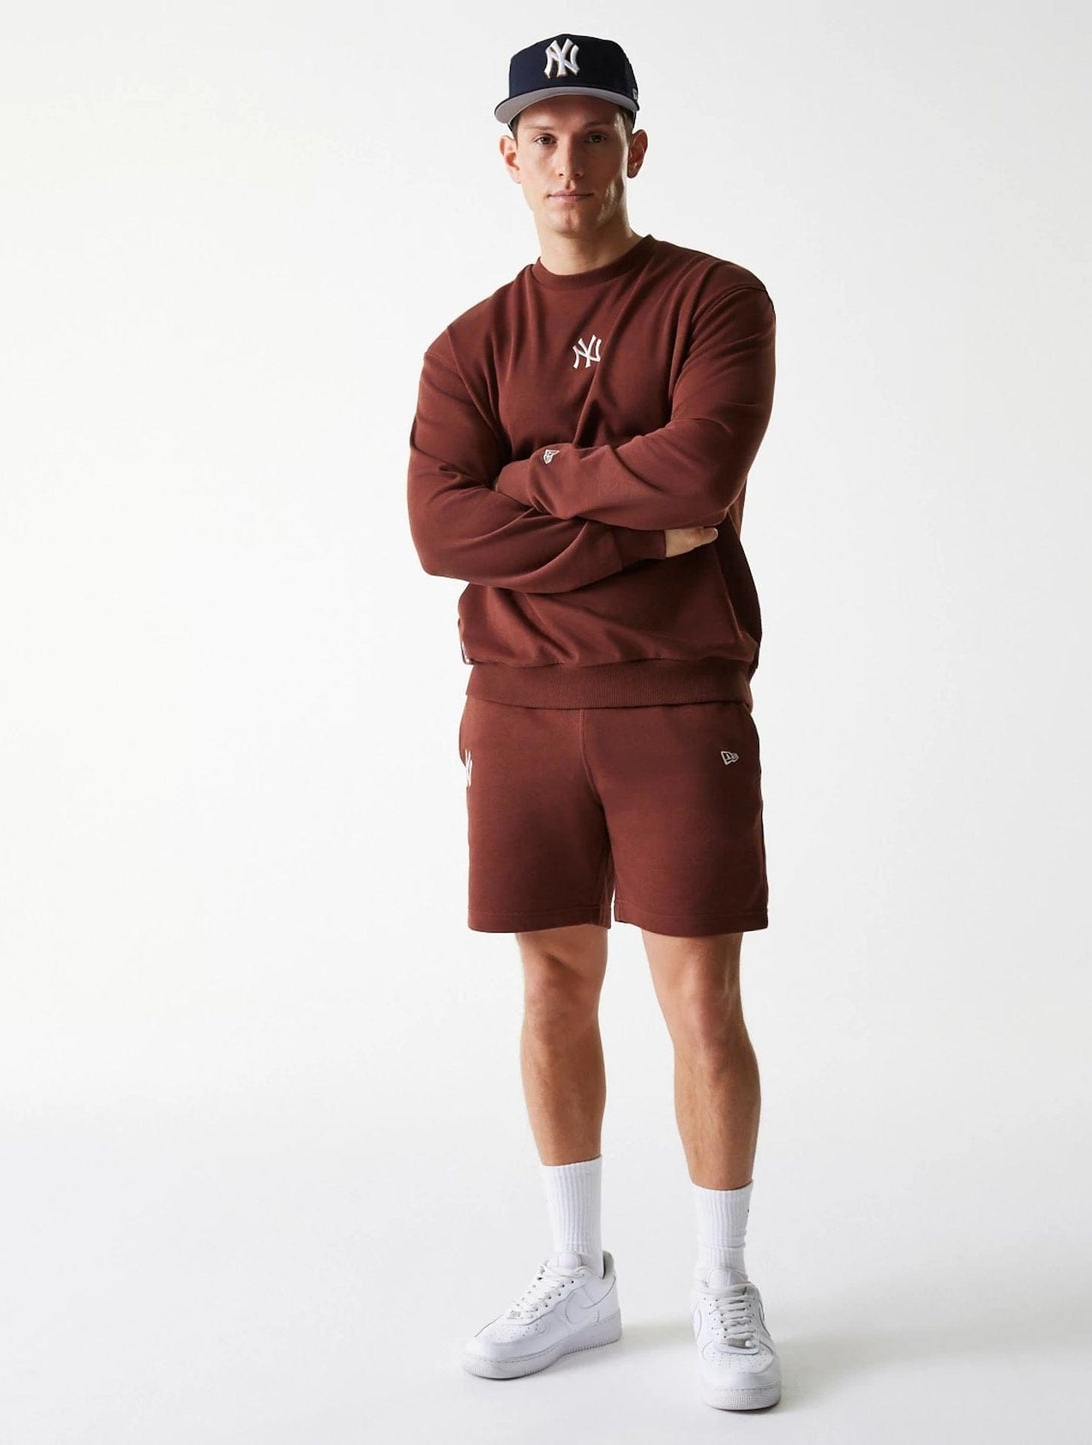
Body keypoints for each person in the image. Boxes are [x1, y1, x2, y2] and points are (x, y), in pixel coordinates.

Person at [406, 33, 781, 1412]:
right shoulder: (467, 344)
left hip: (677, 700)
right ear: (508, 157)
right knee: (552, 988)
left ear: (636, 147)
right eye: (545, 137)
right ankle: (580, 1274)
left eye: (595, 133)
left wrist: (532, 481)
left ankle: (722, 1279)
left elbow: (702, 473)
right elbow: (438, 529)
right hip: (516, 705)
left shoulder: (714, 301)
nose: (571, 160)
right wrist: (624, 524)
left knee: (700, 998)